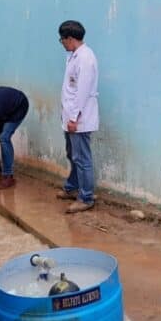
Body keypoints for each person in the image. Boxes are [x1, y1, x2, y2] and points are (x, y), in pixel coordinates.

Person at [56, 20, 99, 214]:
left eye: (62, 40)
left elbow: (82, 91)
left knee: (81, 158)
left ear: (70, 38)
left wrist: (73, 118)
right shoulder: (74, 56)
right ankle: (72, 187)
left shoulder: (85, 58)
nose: (62, 43)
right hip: (70, 116)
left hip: (79, 118)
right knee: (72, 155)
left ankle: (86, 197)